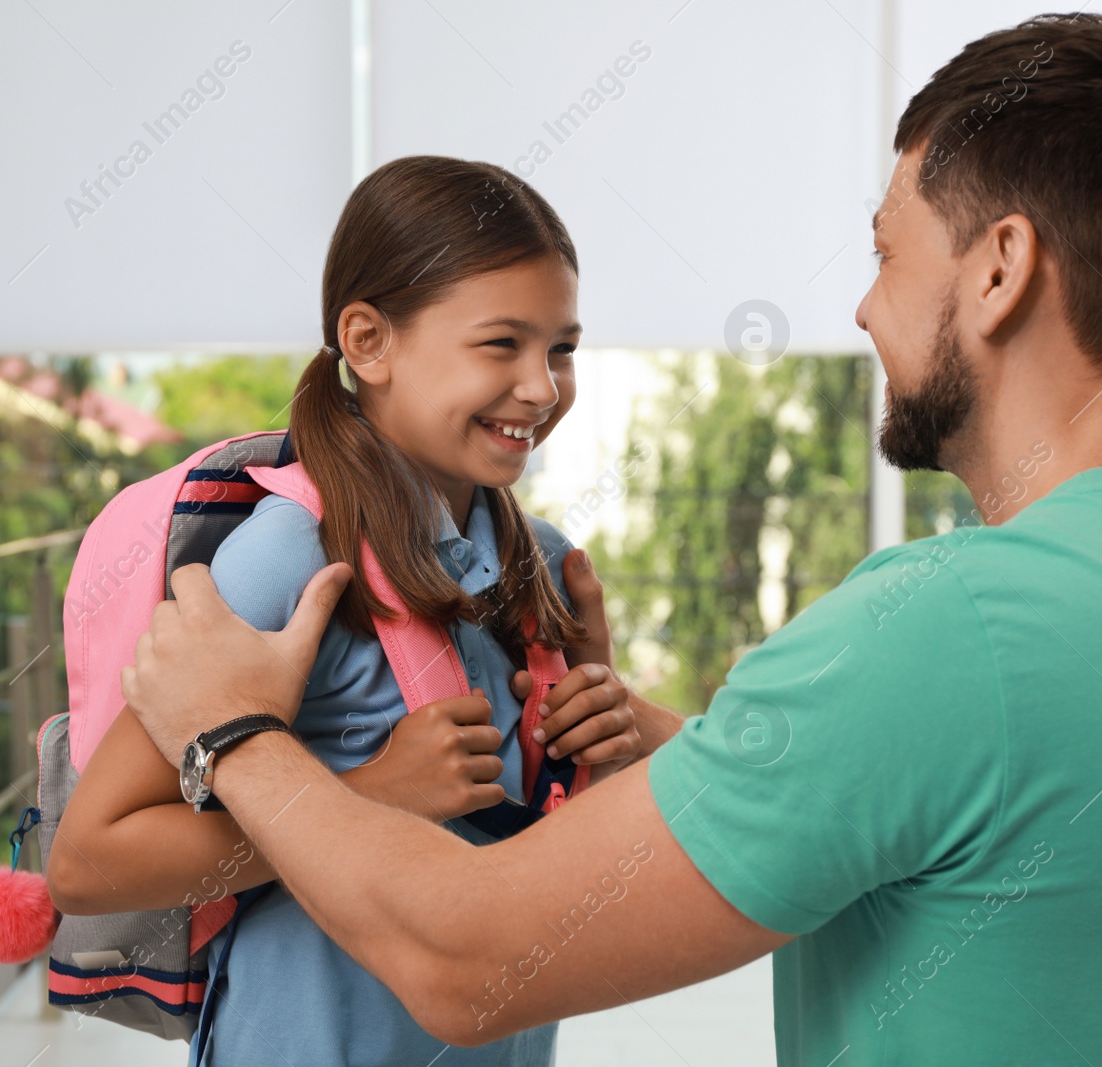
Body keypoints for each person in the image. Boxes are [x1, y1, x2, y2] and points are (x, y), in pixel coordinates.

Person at [121, 15, 1102, 1065]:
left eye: (885, 252)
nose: (864, 305)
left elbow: (466, 956)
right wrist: (690, 757)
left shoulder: (942, 624)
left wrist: (230, 733)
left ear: (999, 271)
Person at [47, 156, 657, 1066]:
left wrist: (610, 746)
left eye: (561, 347)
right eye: (502, 344)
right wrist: (378, 794)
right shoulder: (288, 556)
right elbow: (87, 863)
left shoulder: (546, 564)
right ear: (368, 342)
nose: (542, 386)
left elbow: (553, 862)